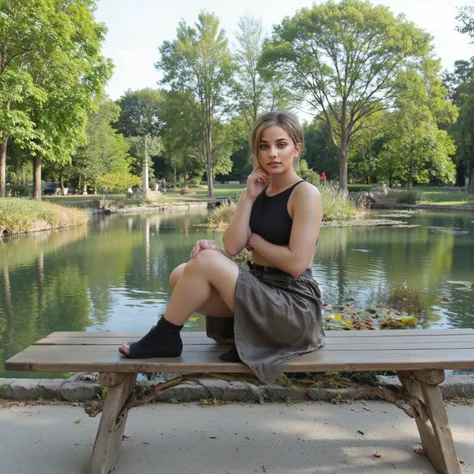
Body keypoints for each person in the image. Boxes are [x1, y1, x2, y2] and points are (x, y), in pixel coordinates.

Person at [119, 111, 325, 384]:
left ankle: (165, 335)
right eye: (264, 146)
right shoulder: (259, 191)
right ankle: (235, 335)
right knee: (181, 274)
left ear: (296, 149)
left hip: (293, 306)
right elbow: (231, 246)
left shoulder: (305, 193)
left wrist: (253, 240)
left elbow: (296, 264)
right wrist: (248, 198)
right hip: (264, 289)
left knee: (204, 261)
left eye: (281, 145)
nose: (272, 153)